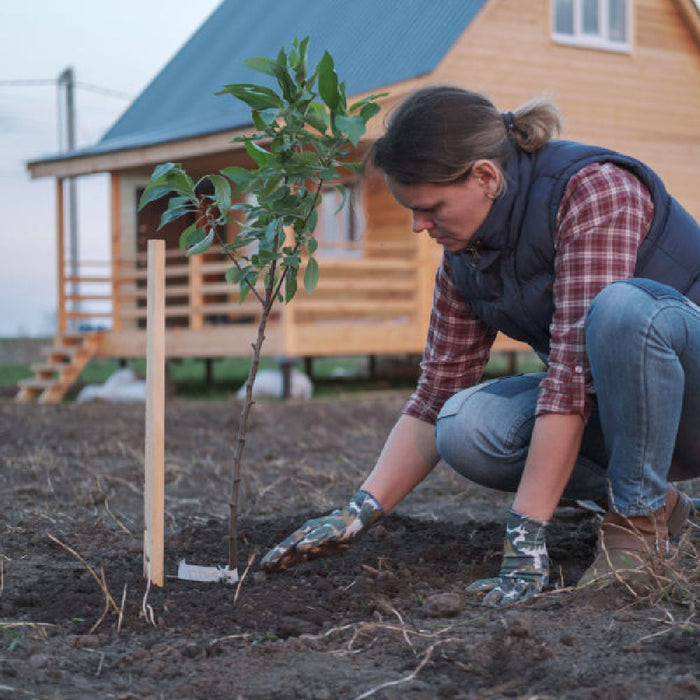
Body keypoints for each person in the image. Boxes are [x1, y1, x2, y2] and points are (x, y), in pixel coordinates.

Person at [261, 86, 700, 605]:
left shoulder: (594, 190)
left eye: (429, 208)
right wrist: (357, 512)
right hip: (631, 412)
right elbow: (433, 396)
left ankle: (638, 525)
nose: (418, 226)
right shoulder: (465, 258)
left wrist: (524, 544)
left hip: (690, 390)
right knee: (465, 428)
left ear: (486, 177)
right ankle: (663, 504)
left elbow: (571, 381)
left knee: (623, 311)